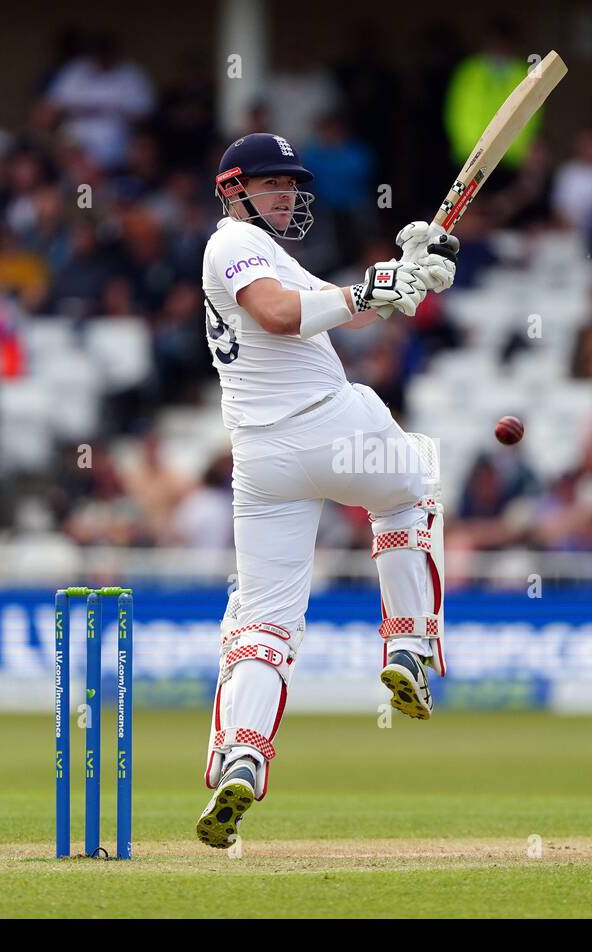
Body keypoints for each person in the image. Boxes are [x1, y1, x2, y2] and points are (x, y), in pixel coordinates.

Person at [194, 134, 458, 848]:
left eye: (292, 183)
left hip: (263, 462)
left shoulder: (268, 257)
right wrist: (374, 288)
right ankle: (407, 645)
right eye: (271, 183)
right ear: (231, 189)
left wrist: (403, 276)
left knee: (263, 621)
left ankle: (242, 752)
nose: (286, 194)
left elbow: (320, 310)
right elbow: (282, 313)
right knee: (412, 491)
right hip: (333, 428)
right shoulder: (230, 245)